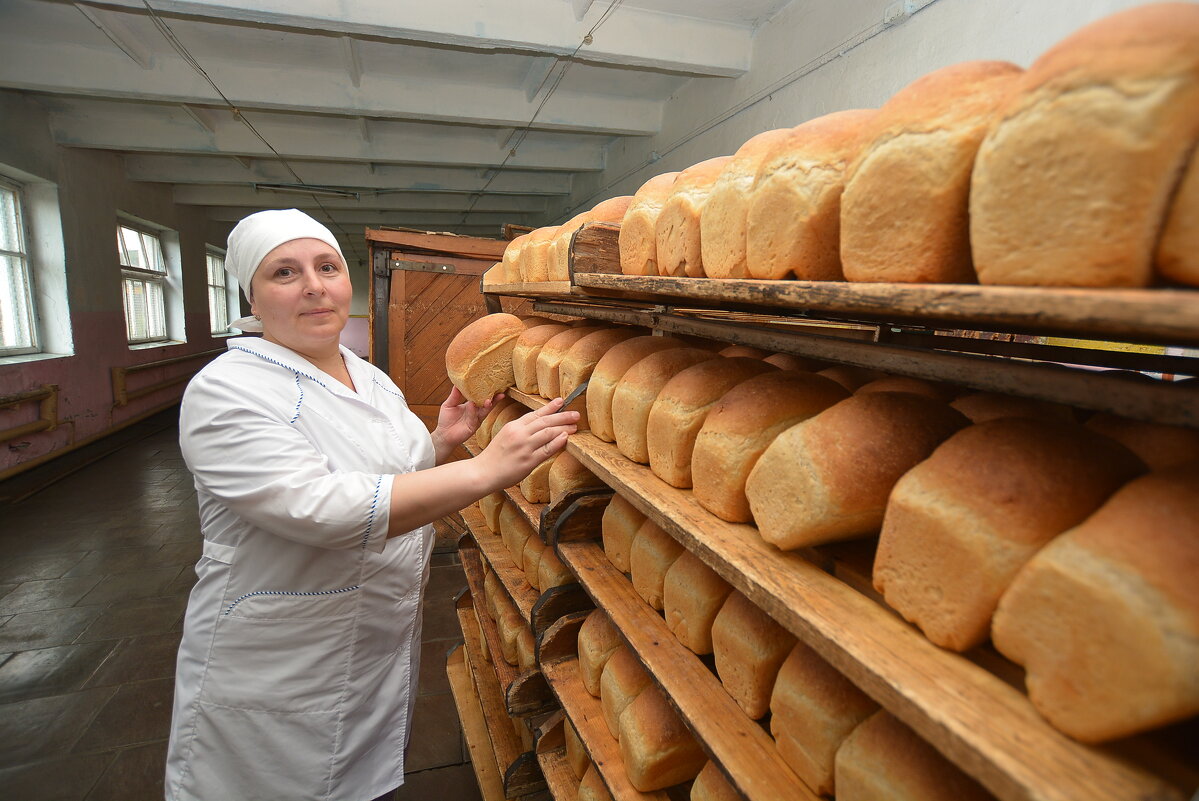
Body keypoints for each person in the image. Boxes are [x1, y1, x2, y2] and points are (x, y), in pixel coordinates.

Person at [164, 209, 577, 801]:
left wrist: (441, 441)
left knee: (362, 782)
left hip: (373, 644)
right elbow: (321, 507)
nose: (313, 285)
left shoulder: (367, 375)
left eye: (326, 267)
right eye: (285, 272)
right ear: (251, 297)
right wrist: (485, 468)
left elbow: (385, 467)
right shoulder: (226, 389)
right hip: (281, 658)